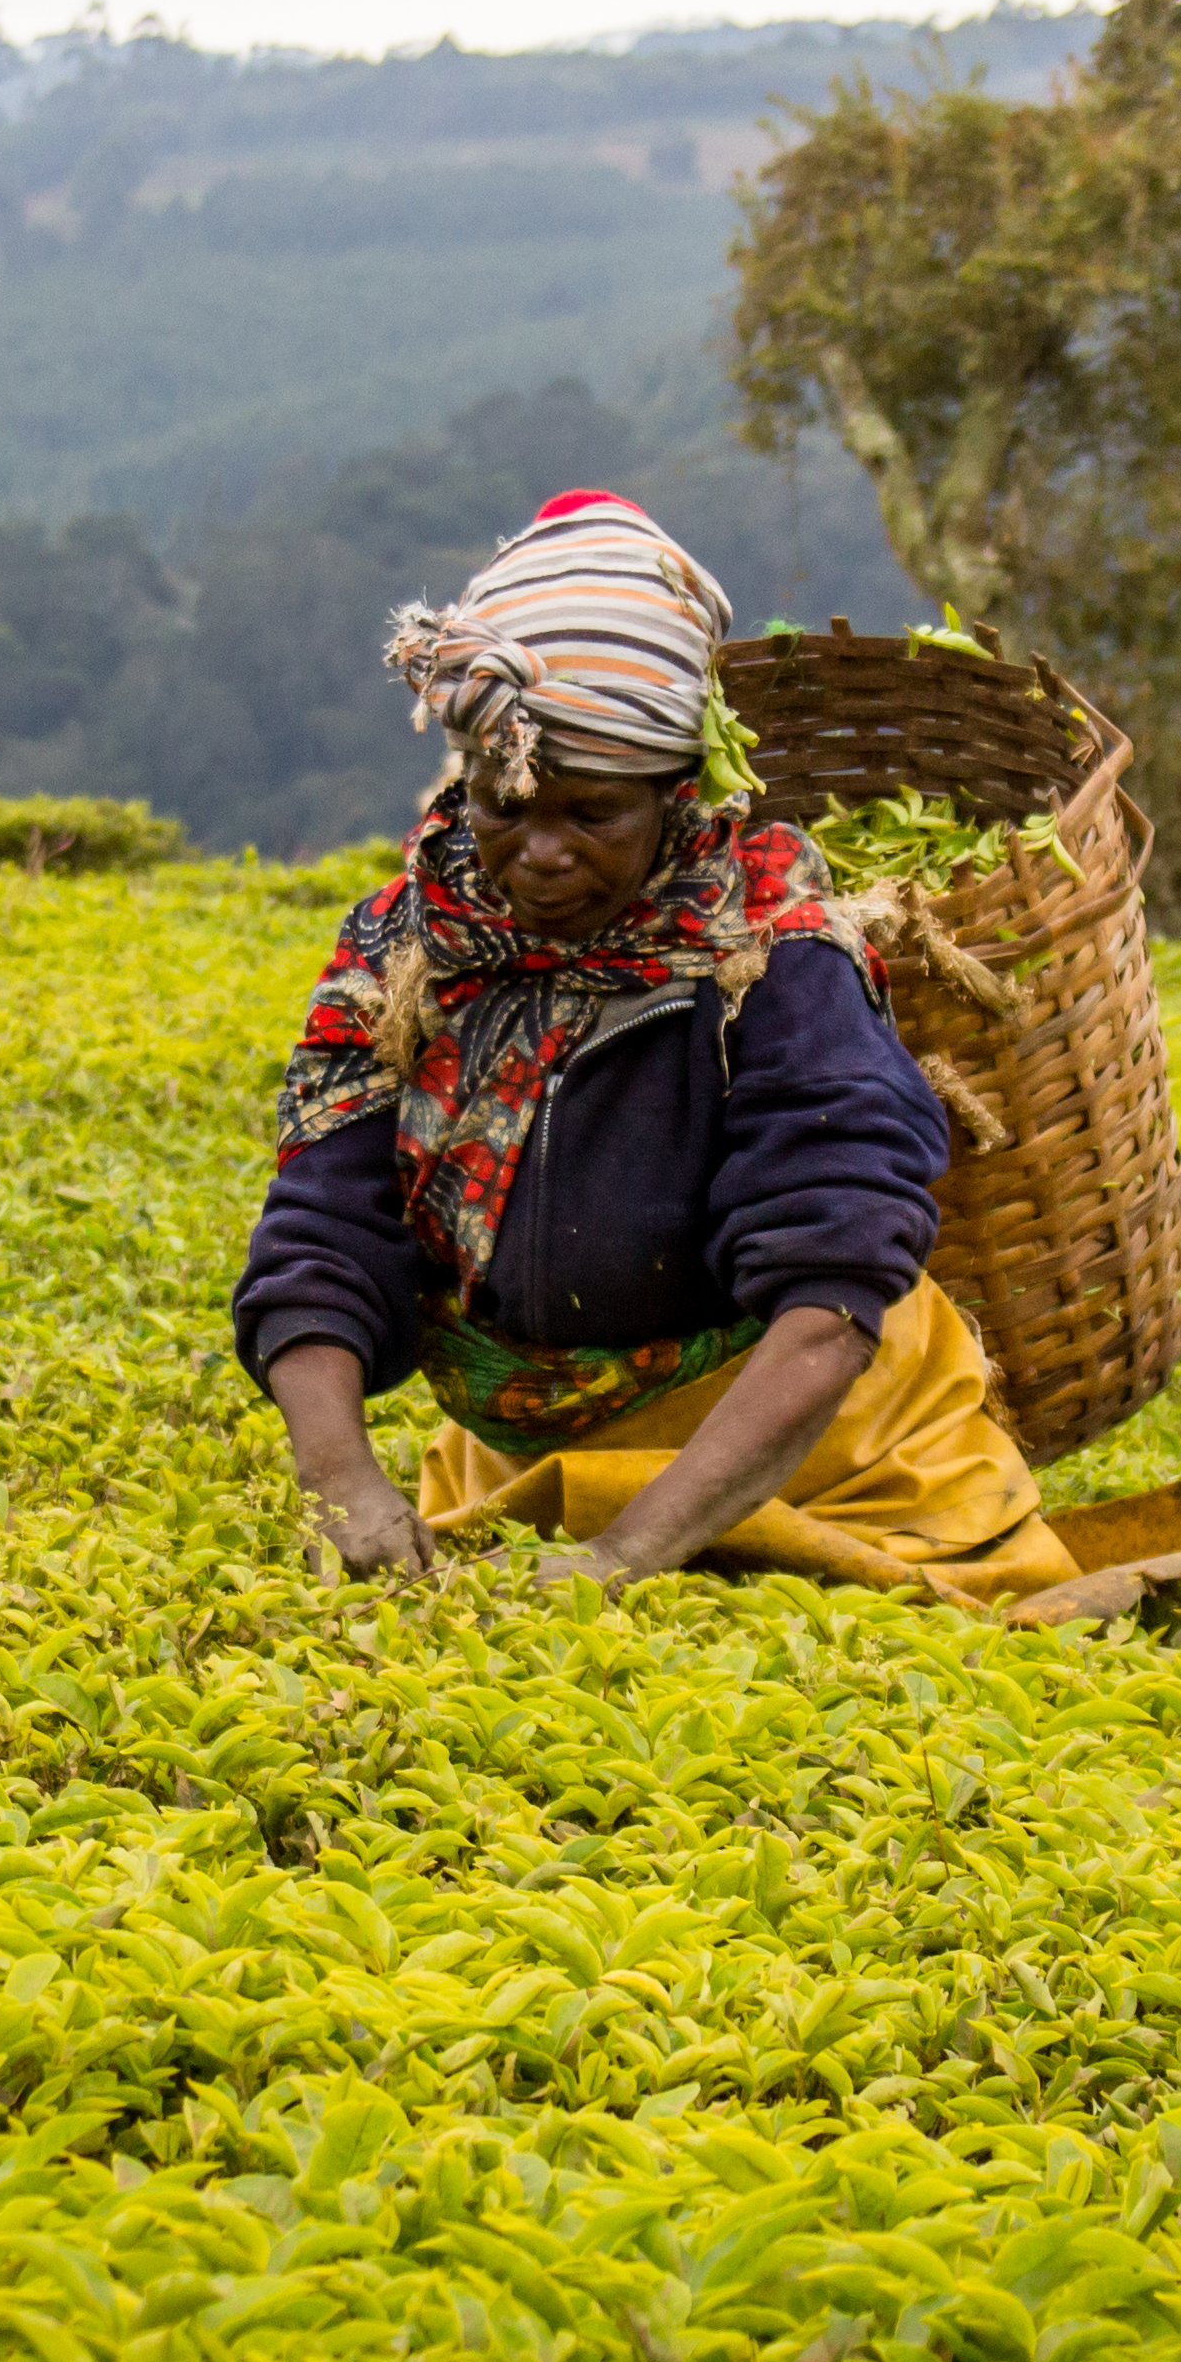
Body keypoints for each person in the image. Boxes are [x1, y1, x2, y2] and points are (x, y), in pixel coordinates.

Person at [230, 489, 1081, 1603]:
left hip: (837, 1470)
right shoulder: (407, 945)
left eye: (592, 816)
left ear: (677, 798)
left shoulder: (771, 957)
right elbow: (325, 1226)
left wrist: (626, 1557)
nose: (537, 854)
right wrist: (342, 1480)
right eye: (504, 806)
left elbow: (833, 1285)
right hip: (528, 1474)